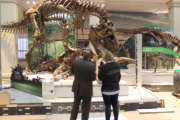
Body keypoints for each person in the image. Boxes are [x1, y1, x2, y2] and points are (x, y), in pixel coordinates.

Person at [70, 49, 96, 120]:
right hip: (87, 90)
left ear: (82, 55)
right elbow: (93, 78)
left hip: (77, 88)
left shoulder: (75, 62)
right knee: (85, 109)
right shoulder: (91, 65)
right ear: (89, 56)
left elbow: (72, 72)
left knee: (75, 106)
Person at [98, 52, 121, 120]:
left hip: (106, 90)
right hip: (115, 89)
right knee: (115, 106)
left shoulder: (103, 67)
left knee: (107, 106)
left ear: (105, 58)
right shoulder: (117, 65)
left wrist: (99, 66)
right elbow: (119, 77)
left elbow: (100, 78)